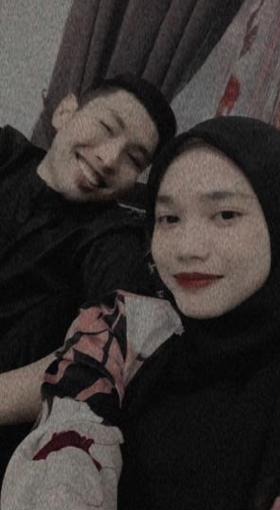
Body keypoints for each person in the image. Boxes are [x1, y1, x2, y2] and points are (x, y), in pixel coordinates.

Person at [1, 116, 280, 510]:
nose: (188, 249)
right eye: (169, 219)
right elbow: (67, 437)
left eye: (225, 215)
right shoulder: (130, 328)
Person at [0, 74, 176, 480]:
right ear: (65, 112)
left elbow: (112, 353)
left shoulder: (113, 238)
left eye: (134, 159)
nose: (110, 158)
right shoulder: (6, 152)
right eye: (106, 127)